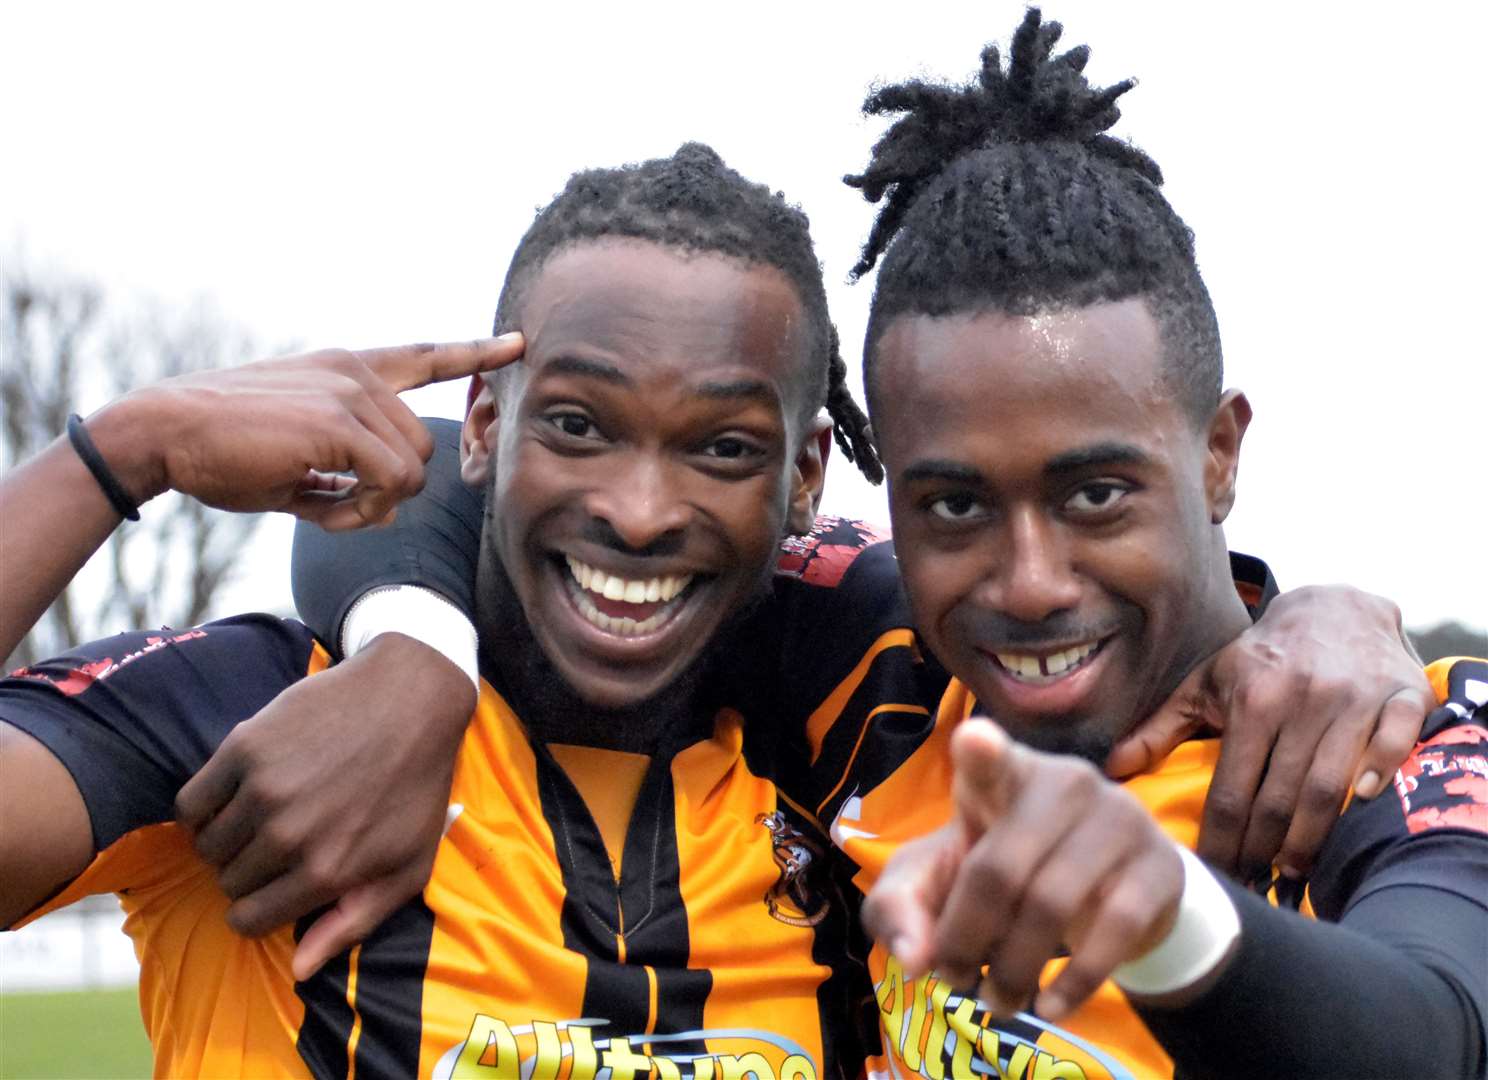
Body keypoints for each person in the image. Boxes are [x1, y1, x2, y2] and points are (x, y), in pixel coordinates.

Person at [834, 11, 1486, 1077]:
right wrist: (443, 601)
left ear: (1220, 454)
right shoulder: (869, 676)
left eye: (1095, 495)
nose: (1031, 583)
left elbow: (1444, 1026)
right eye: (954, 507)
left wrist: (1169, 912)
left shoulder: (1404, 741)